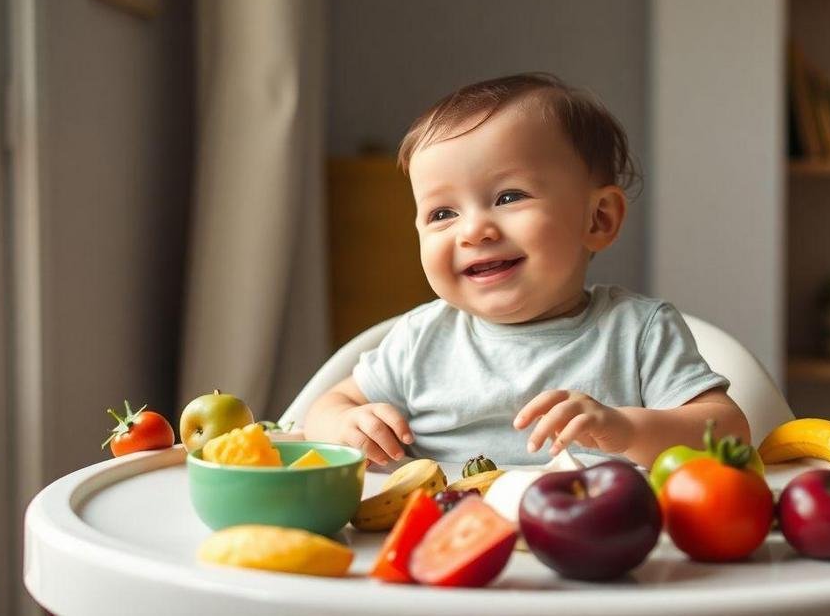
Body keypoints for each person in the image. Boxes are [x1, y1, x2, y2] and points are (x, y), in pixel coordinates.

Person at [302, 73, 749, 467]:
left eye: (509, 197)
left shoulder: (637, 333)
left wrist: (627, 431)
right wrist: (346, 423)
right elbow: (324, 408)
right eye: (442, 214)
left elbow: (729, 431)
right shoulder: (421, 341)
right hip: (444, 539)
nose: (473, 231)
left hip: (593, 538)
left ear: (598, 219)